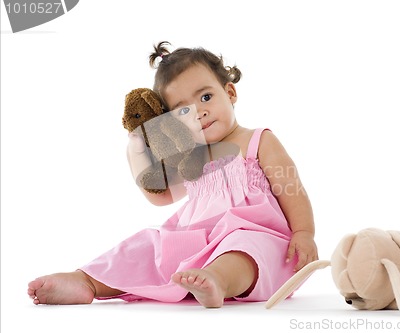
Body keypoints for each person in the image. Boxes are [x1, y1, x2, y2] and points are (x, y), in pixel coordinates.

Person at [27, 41, 318, 308]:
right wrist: (137, 148)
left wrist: (304, 233)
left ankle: (217, 279)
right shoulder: (189, 158)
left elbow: (290, 188)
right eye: (183, 112)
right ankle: (88, 281)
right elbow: (161, 197)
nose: (199, 112)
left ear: (230, 93)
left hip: (257, 238)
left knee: (243, 249)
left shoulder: (258, 140)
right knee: (147, 246)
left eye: (206, 96)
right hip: (196, 241)